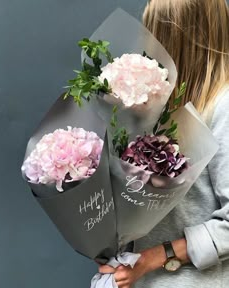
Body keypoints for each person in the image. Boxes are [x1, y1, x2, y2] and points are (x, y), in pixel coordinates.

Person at [98, 0, 229, 287]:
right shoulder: (154, 107)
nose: (148, 42)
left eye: (154, 31)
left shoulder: (224, 106)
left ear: (177, 37)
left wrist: (159, 255)